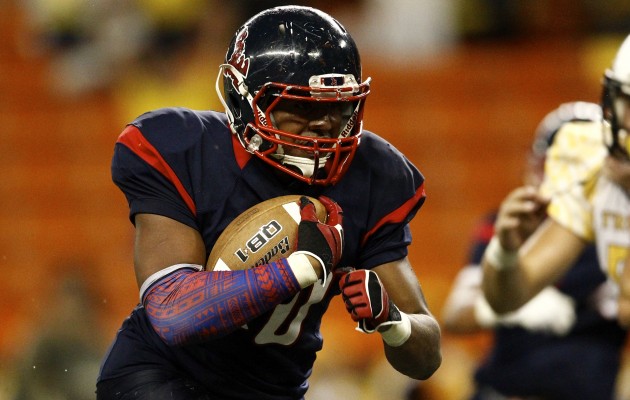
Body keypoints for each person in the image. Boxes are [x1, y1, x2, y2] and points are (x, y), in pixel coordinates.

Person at [96, 5, 441, 400]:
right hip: (165, 375)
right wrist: (298, 267)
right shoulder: (185, 149)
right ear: (244, 100)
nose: (324, 123)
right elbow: (173, 311)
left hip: (276, 390)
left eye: (337, 106)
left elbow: (427, 356)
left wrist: (395, 324)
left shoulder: (372, 175)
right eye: (301, 106)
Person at [440, 101, 627, 400]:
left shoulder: (616, 227)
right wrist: (514, 307)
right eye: (560, 163)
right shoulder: (509, 224)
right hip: (506, 390)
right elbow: (455, 316)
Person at [481, 31, 630, 364]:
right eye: (626, 102)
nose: (627, 121)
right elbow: (507, 298)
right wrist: (505, 250)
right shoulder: (596, 170)